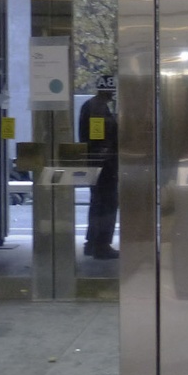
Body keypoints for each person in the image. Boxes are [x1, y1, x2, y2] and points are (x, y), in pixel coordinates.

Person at [78, 74, 119, 259]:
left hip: (98, 163)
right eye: (113, 89)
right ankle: (102, 244)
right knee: (107, 204)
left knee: (98, 203)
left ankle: (92, 243)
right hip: (104, 165)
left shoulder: (93, 105)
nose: (114, 93)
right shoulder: (98, 108)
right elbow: (100, 137)